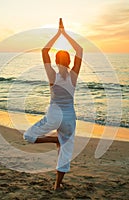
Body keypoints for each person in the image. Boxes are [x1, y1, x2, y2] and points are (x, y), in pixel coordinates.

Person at [23, 18, 83, 190]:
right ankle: (57, 185)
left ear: (56, 62)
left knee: (28, 136)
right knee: (65, 151)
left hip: (53, 116)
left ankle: (54, 139)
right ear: (70, 62)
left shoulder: (52, 75)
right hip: (69, 117)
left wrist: (58, 33)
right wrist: (66, 33)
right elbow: (80, 49)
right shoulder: (73, 76)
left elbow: (44, 50)